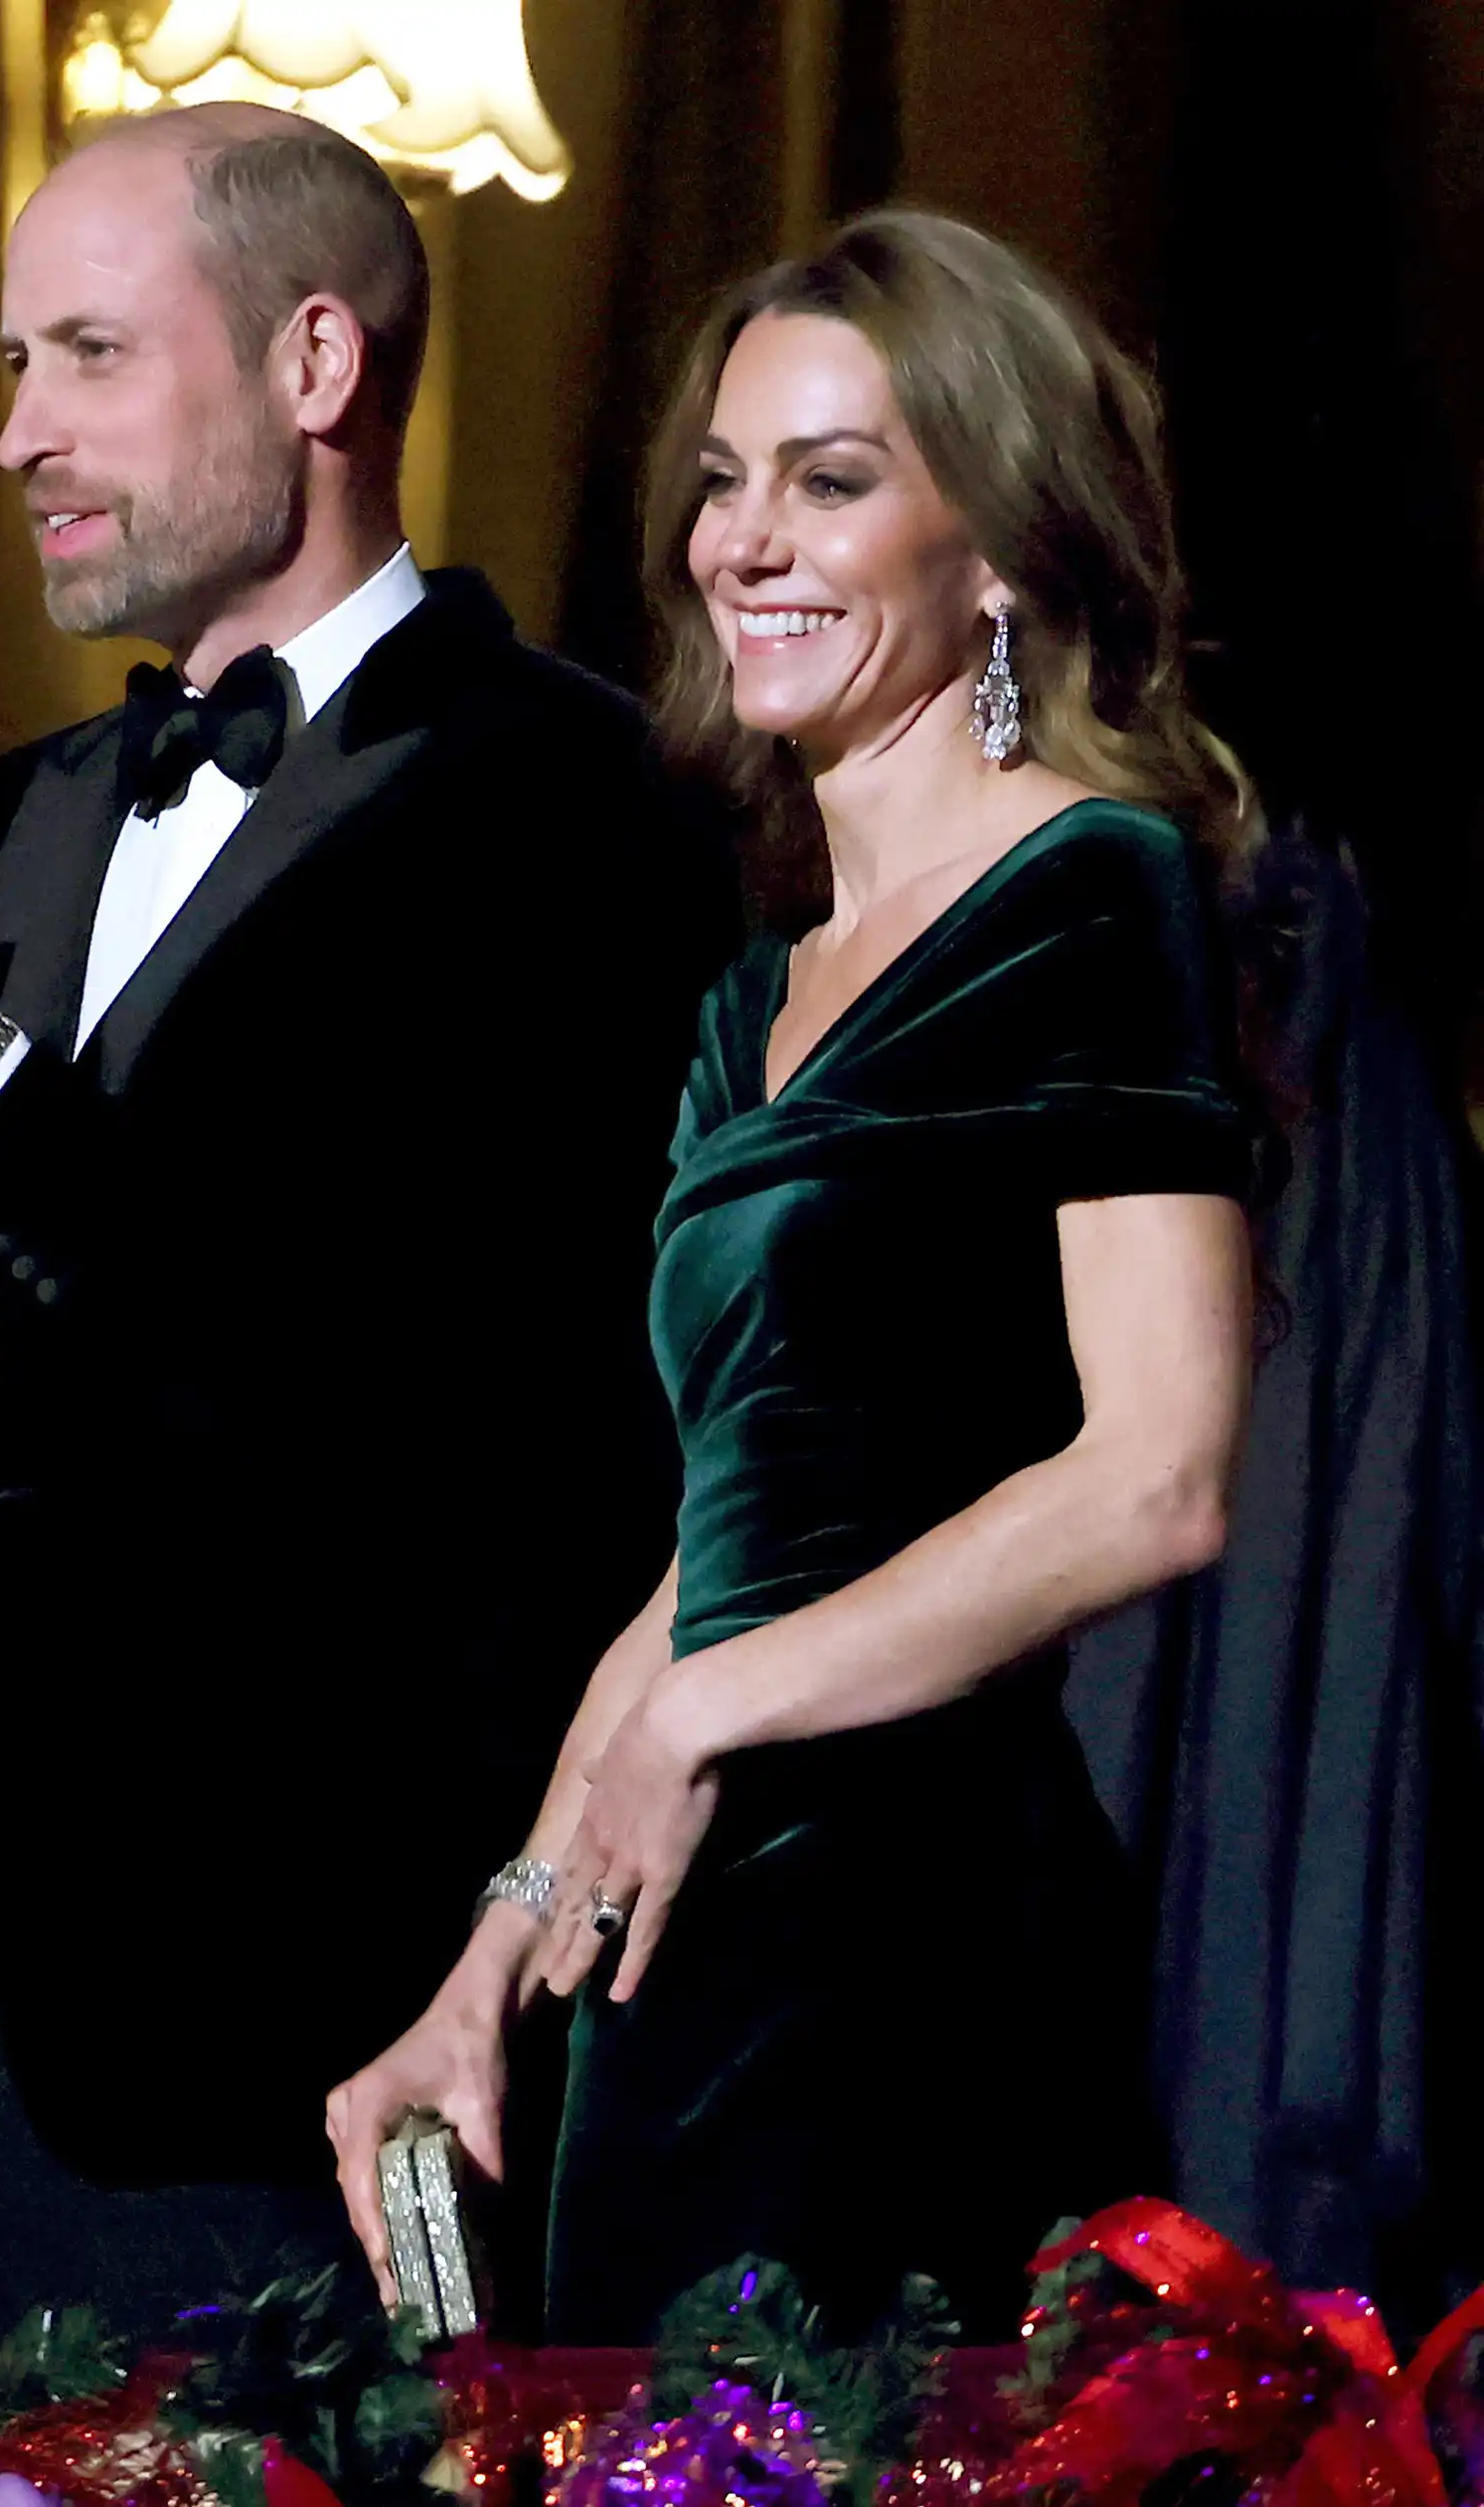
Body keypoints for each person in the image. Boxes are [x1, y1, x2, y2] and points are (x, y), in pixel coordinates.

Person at [0, 104, 731, 2346]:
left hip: (252, 1974)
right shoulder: (4, 820)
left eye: (85, 354)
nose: (13, 434)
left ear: (313, 365)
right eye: (11, 367)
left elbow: (371, 1407)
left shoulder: (567, 811)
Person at [328, 210, 1260, 2344]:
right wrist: (481, 1976)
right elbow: (711, 1548)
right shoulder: (751, 996)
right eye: (725, 478)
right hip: (682, 1951)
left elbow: (1160, 1471)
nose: (742, 537)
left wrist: (717, 1710)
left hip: (912, 1928)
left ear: (997, 549)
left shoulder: (1090, 892)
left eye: (832, 478)